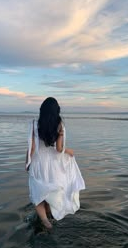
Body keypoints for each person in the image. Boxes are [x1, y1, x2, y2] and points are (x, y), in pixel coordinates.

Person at [25, 97, 85, 229]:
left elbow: (32, 147)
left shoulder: (34, 123)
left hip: (38, 161)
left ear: (42, 110)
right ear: (56, 110)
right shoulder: (60, 124)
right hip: (53, 164)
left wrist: (27, 163)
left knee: (38, 193)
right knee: (47, 192)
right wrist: (69, 151)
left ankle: (45, 222)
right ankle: (49, 218)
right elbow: (59, 149)